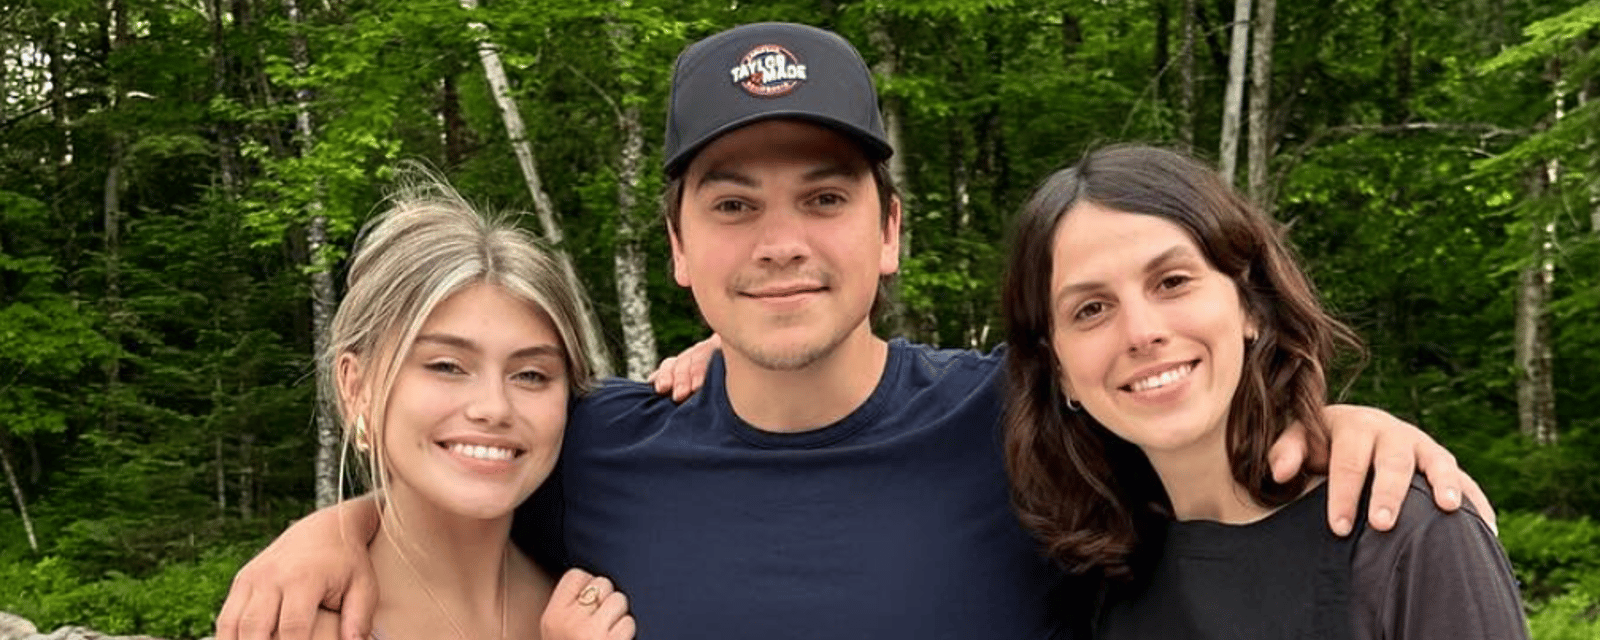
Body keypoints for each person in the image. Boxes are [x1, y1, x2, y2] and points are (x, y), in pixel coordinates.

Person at [216, 23, 1490, 640]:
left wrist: (1337, 424)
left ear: (889, 231)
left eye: (824, 198)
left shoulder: (1030, 428)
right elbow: (457, 472)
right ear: (678, 251)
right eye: (734, 204)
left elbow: (1187, 426)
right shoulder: (589, 446)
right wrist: (337, 523)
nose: (781, 241)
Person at [1001, 145, 1525, 639]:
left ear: (1250, 303)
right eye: (1090, 309)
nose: (1142, 332)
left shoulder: (1404, 535)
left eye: (1172, 281)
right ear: (1059, 368)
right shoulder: (1092, 582)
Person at [290, 175, 634, 640]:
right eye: (448, 366)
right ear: (357, 388)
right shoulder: (299, 622)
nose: (494, 408)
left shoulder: (609, 594)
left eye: (531, 374)